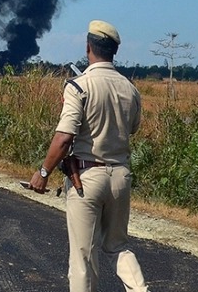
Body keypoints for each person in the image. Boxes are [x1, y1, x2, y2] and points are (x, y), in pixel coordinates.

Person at [29, 20, 148, 292]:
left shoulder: (79, 86)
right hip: (120, 176)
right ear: (114, 51)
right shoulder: (131, 89)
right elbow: (133, 128)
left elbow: (64, 137)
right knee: (118, 246)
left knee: (82, 256)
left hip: (86, 177)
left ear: (88, 48)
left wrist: (44, 172)